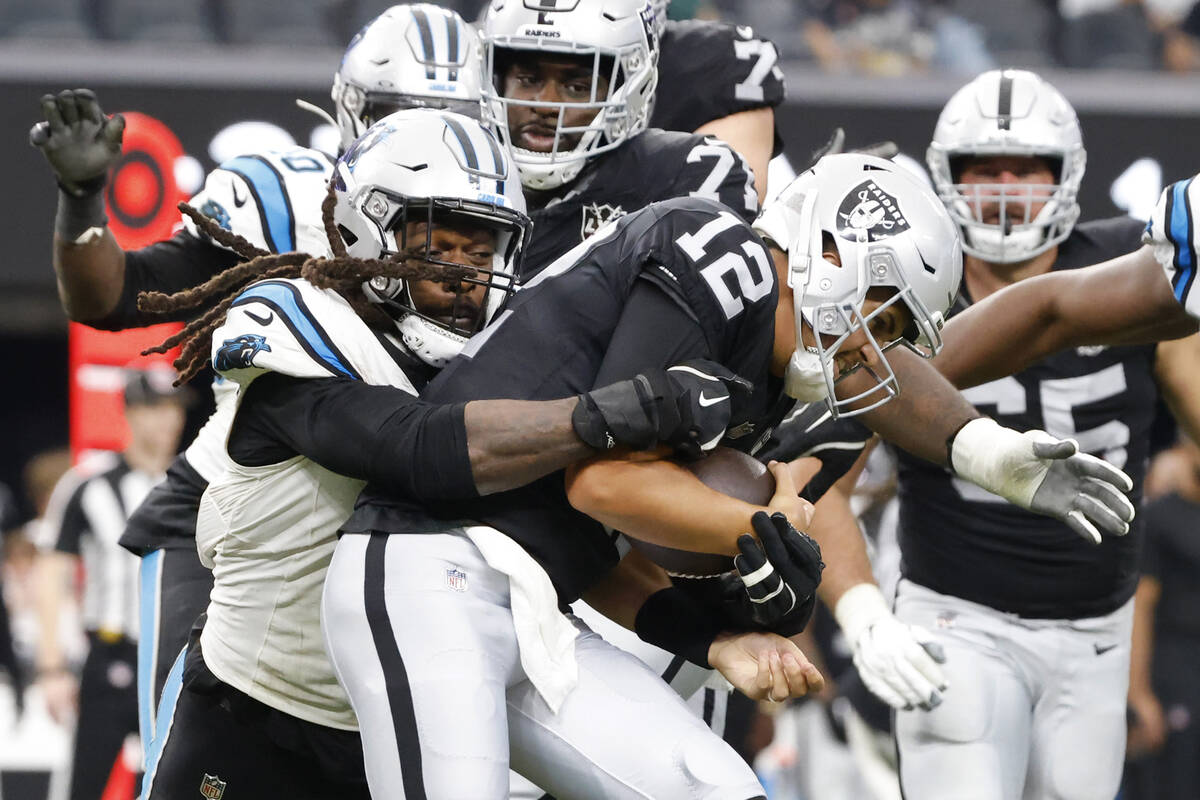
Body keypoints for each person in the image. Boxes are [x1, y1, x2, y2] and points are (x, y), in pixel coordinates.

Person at [321, 148, 1135, 799]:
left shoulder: (769, 369)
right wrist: (765, 526)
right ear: (824, 255)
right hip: (426, 572)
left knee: (714, 786)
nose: (873, 346)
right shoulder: (723, 260)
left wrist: (717, 638)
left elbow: (592, 538)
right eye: (878, 311)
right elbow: (603, 486)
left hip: (535, 608)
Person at [138, 108, 774, 800]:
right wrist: (618, 411)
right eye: (442, 242)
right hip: (256, 717)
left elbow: (550, 554)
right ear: (367, 226)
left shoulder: (499, 370)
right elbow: (414, 448)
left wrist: (707, 637)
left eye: (485, 250)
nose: (468, 273)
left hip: (407, 712)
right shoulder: (297, 316)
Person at [27, 4, 489, 752]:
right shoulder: (289, 205)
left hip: (394, 531)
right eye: (401, 117)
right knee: (186, 760)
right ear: (353, 117)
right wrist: (83, 204)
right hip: (232, 528)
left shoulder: (507, 224)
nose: (428, 143)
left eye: (452, 117)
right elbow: (113, 297)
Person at [879, 69, 1200, 800]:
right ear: (945, 177)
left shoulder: (1124, 263)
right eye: (982, 168)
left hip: (1096, 625)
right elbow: (831, 456)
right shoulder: (908, 278)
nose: (1003, 186)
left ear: (1067, 176)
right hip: (955, 611)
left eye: (1027, 168)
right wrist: (860, 611)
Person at [478, 0, 761, 279]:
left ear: (632, 87)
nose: (546, 105)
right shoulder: (458, 153)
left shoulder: (684, 174)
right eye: (528, 80)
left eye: (577, 87)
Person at [35, 368, 186, 800]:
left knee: (169, 785)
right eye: (155, 408)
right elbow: (53, 573)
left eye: (174, 408)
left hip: (173, 662)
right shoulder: (88, 483)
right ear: (130, 414)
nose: (168, 420)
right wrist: (52, 667)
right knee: (84, 785)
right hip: (108, 657)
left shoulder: (196, 485)